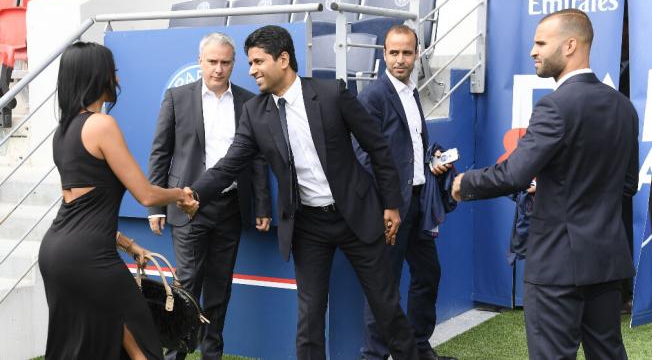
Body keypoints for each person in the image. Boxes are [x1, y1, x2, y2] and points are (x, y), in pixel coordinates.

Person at [180, 25, 419, 360]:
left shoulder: (332, 93)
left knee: (387, 308)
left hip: (356, 214)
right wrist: (194, 192)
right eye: (249, 63)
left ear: (283, 59)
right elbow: (230, 164)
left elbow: (378, 148)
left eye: (257, 62)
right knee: (309, 318)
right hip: (308, 226)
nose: (251, 71)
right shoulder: (256, 112)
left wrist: (391, 205)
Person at [451, 9, 638, 359]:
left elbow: (513, 175)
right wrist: (556, 187)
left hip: (556, 265)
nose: (533, 51)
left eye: (540, 42)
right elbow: (626, 185)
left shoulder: (555, 106)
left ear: (570, 45)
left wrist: (464, 182)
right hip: (607, 261)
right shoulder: (623, 107)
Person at [38, 42, 196, 360]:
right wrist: (181, 194)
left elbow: (78, 207)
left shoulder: (62, 131)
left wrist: (127, 244)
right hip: (90, 259)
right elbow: (146, 194)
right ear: (97, 76)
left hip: (57, 254)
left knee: (88, 347)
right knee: (141, 345)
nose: (118, 81)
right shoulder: (101, 125)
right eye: (114, 73)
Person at [147, 32, 271, 360]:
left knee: (220, 289)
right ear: (200, 61)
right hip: (187, 208)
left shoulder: (248, 101)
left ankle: (211, 355)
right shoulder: (177, 97)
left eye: (225, 62)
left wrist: (261, 204)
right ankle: (175, 354)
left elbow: (257, 158)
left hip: (230, 206)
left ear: (234, 65)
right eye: (212, 61)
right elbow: (161, 153)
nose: (218, 69)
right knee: (186, 285)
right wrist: (156, 205)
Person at [355, 25, 456, 360]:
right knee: (384, 288)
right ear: (384, 54)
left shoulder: (412, 91)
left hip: (417, 202)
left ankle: (416, 347)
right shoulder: (373, 95)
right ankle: (375, 355)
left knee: (428, 274)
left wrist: (432, 161)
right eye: (394, 52)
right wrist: (388, 202)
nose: (400, 59)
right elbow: (361, 154)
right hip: (390, 209)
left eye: (407, 52)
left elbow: (408, 147)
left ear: (417, 54)